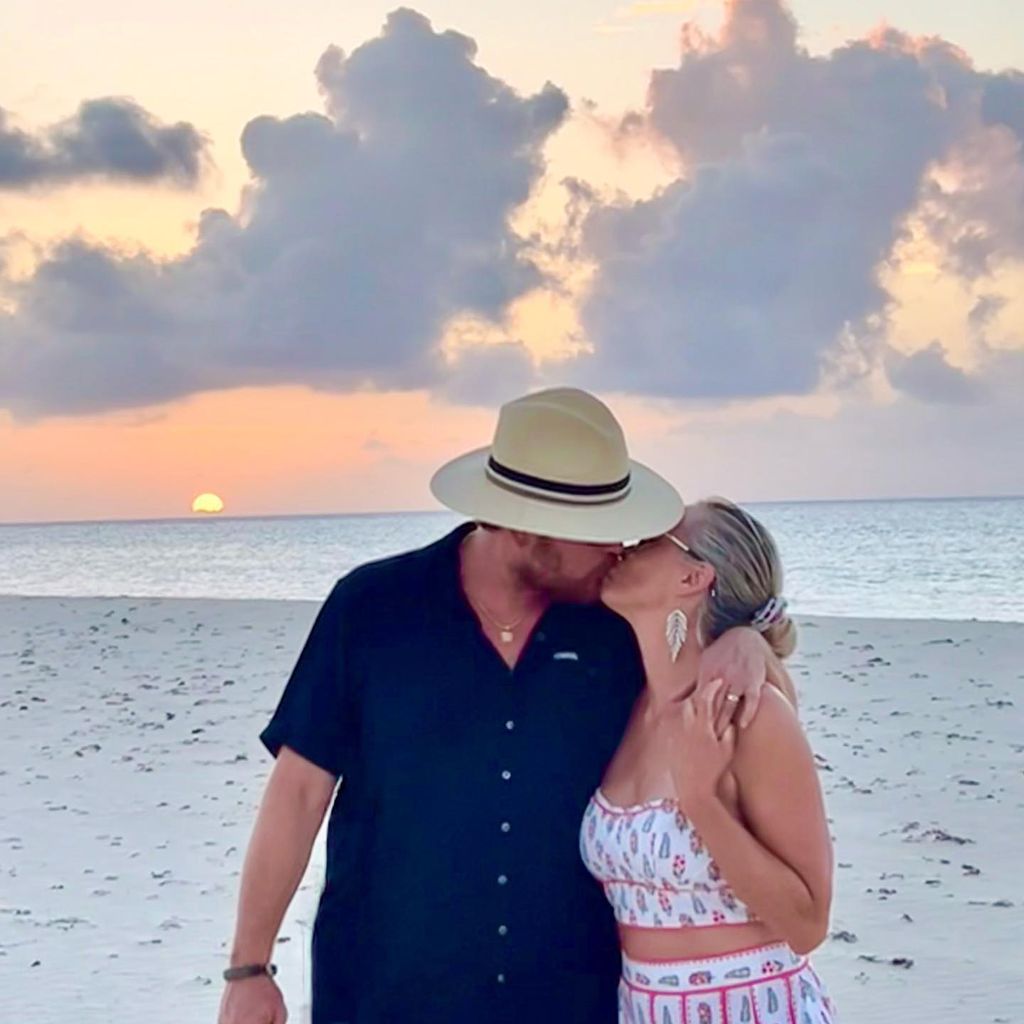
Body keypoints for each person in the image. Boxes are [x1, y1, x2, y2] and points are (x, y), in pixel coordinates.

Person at [218, 388, 796, 1024]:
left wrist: (745, 642)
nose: (618, 549)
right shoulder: (373, 608)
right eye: (598, 531)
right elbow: (297, 794)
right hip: (388, 991)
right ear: (526, 529)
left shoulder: (618, 627)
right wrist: (250, 968)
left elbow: (736, 665)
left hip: (572, 998)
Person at [585, 497, 837, 1023]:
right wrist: (748, 639)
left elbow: (808, 922)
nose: (628, 547)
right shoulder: (626, 703)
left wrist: (702, 800)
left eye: (653, 541)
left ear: (694, 576)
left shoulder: (750, 713)